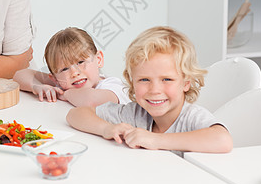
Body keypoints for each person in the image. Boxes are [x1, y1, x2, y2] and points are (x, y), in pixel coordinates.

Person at [66, 26, 233, 155]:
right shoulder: (135, 114)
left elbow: (223, 140)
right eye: (144, 80)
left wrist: (157, 140)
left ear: (186, 83)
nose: (154, 90)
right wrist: (106, 129)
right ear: (132, 82)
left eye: (167, 79)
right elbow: (76, 115)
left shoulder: (191, 117)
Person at [13, 27, 130, 107]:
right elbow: (19, 75)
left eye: (80, 62)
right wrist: (37, 86)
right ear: (54, 78)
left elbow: (91, 100)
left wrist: (65, 94)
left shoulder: (113, 86)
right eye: (64, 69)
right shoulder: (64, 83)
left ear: (98, 59)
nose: (74, 73)